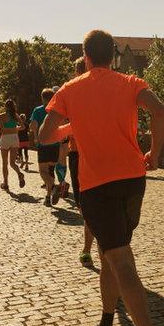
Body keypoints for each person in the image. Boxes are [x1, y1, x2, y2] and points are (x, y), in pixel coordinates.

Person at [39, 30, 164, 326]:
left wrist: (72, 127)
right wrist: (155, 154)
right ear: (112, 56)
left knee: (121, 262)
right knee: (109, 257)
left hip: (98, 184)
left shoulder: (70, 90)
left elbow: (45, 135)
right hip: (132, 179)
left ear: (86, 56)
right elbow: (160, 112)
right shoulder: (131, 82)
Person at [67, 56, 95, 267]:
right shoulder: (107, 89)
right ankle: (95, 248)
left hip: (79, 151)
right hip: (99, 150)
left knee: (86, 204)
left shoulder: (73, 90)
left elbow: (48, 133)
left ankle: (88, 249)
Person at [29, 88, 60, 207]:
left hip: (43, 144)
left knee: (43, 171)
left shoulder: (38, 110)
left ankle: (53, 187)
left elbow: (32, 126)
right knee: (51, 171)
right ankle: (48, 197)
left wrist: (34, 132)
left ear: (42, 98)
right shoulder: (57, 110)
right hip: (55, 144)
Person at [0, 99, 26, 191]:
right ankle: (19, 173)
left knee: (5, 163)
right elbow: (23, 127)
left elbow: (1, 129)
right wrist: (15, 128)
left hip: (5, 138)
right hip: (14, 138)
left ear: (5, 107)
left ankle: (6, 184)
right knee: (12, 163)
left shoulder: (2, 116)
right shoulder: (16, 115)